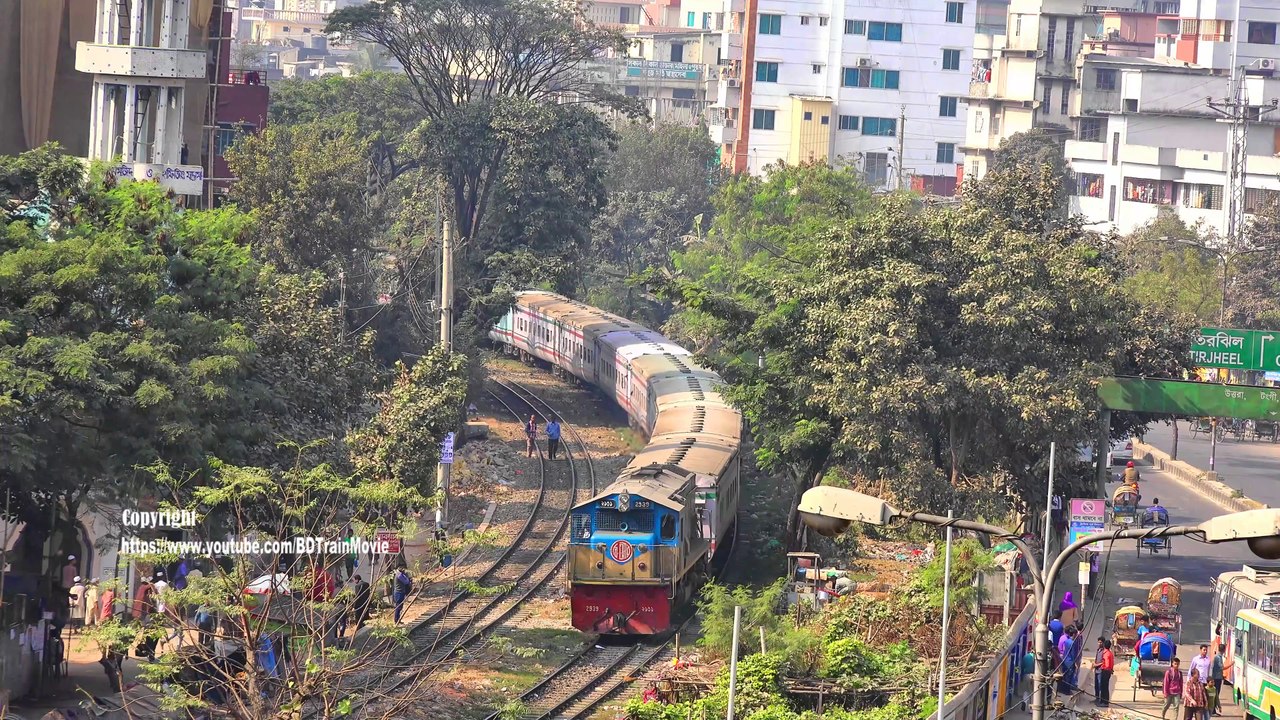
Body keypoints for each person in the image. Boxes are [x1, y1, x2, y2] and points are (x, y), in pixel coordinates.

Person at [1095, 638, 1114, 707]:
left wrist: (1103, 667)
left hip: (1105, 671)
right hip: (1108, 671)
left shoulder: (1106, 654)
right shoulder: (1110, 653)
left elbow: (1107, 664)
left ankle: (1104, 702)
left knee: (1104, 687)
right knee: (1105, 687)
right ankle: (1103, 701)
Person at [1211, 643, 1226, 715]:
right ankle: (1213, 710)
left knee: (1216, 694)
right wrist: (1231, 664)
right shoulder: (1218, 657)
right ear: (1224, 650)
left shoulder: (1218, 657)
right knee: (1216, 694)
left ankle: (1213, 710)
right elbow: (1222, 667)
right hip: (1216, 678)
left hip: (1218, 677)